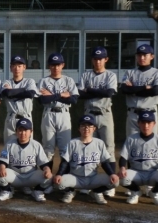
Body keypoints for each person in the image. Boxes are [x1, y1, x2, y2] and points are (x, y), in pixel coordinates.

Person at [78, 46, 117, 197]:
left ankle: (110, 184)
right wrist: (96, 92)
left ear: (106, 59)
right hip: (89, 114)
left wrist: (90, 90)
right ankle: (87, 182)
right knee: (88, 148)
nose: (98, 61)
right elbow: (80, 94)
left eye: (100, 59)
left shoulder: (110, 75)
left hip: (105, 114)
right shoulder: (86, 75)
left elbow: (109, 93)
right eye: (95, 59)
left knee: (108, 148)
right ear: (92, 60)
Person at [53, 115, 119, 205]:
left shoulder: (99, 143)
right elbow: (65, 162)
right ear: (79, 128)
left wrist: (112, 174)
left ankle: (96, 192)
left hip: (93, 178)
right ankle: (70, 192)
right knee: (57, 183)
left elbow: (104, 162)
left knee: (115, 181)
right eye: (83, 126)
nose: (86, 128)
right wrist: (59, 174)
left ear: (94, 128)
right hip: (76, 178)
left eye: (89, 126)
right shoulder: (72, 143)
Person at [119, 110, 158, 206]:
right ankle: (136, 192)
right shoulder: (131, 139)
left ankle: (155, 193)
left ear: (154, 124)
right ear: (138, 123)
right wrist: (122, 168)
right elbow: (123, 157)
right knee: (121, 178)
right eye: (143, 122)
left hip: (153, 173)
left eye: (149, 123)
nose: (146, 126)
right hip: (136, 172)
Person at [0, 118, 53, 202]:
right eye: (20, 130)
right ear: (16, 131)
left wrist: (47, 170)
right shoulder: (9, 144)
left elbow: (44, 163)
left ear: (31, 131)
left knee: (50, 177)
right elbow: (2, 161)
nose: (23, 133)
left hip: (30, 176)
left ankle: (37, 191)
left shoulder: (36, 145)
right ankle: (7, 191)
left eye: (25, 130)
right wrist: (1, 168)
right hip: (15, 176)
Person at [38, 53, 79, 165]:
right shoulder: (44, 81)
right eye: (53, 65)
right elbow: (41, 100)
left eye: (58, 65)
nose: (55, 67)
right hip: (48, 114)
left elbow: (73, 100)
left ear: (62, 65)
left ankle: (63, 175)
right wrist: (61, 95)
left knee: (65, 149)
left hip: (64, 114)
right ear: (49, 66)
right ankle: (47, 175)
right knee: (48, 149)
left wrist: (51, 96)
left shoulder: (68, 80)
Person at [120, 44, 158, 136]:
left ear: (152, 56)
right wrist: (144, 88)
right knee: (132, 142)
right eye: (139, 55)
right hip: (133, 114)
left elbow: (155, 91)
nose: (141, 58)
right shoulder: (129, 72)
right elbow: (124, 90)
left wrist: (133, 89)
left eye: (145, 55)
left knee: (150, 142)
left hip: (150, 113)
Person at [1, 55, 38, 143]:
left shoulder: (30, 81)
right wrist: (24, 90)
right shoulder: (6, 82)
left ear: (24, 67)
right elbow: (7, 93)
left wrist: (12, 91)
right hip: (11, 118)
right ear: (10, 68)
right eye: (14, 65)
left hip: (26, 116)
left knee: (27, 145)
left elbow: (30, 94)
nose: (17, 68)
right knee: (9, 146)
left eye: (19, 66)